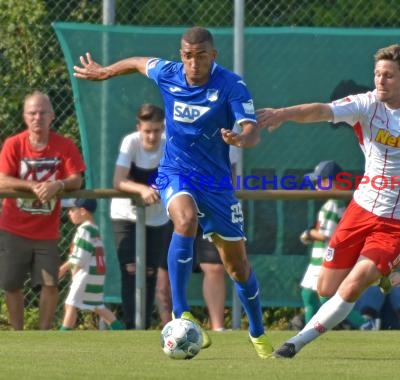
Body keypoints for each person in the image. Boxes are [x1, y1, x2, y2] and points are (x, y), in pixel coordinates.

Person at [256, 44, 400, 358]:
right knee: (326, 289)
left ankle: (294, 343)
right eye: (377, 74)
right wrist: (283, 114)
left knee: (354, 282)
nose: (381, 81)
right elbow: (321, 110)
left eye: (389, 75)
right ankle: (382, 275)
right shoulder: (366, 104)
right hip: (362, 209)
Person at [73, 26, 273, 357]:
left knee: (237, 267)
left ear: (214, 56)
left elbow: (252, 131)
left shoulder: (231, 85)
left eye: (201, 56)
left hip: (216, 183)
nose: (193, 64)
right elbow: (139, 62)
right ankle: (182, 313)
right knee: (185, 219)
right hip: (176, 172)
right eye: (187, 56)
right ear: (181, 56)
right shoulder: (169, 73)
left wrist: (241, 138)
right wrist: (105, 72)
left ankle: (258, 332)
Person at [0, 91, 86, 330]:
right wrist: (32, 186)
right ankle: (18, 333)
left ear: (52, 116)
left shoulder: (64, 145)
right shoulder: (13, 144)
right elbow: (2, 179)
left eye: (42, 112)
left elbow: (76, 179)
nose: (37, 117)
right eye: (32, 113)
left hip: (47, 232)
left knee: (50, 283)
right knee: (11, 284)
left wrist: (57, 185)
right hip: (12, 228)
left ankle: (44, 332)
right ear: (25, 117)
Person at [110, 103, 174, 329]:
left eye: (157, 130)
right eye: (147, 130)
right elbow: (118, 180)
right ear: (139, 128)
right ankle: (130, 328)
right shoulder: (131, 142)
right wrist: (143, 190)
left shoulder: (169, 144)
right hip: (125, 215)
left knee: (149, 272)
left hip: (157, 218)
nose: (152, 136)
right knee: (130, 269)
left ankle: (143, 328)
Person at [298, 160, 368, 329]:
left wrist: (308, 234)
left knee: (327, 297)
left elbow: (325, 235)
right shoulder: (337, 202)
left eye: (320, 181)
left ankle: (365, 324)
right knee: (308, 294)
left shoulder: (332, 204)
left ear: (330, 182)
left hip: (325, 258)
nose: (316, 186)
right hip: (321, 258)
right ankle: (310, 328)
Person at [58, 198, 124, 331]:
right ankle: (119, 330)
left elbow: (80, 257)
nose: (69, 213)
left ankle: (62, 336)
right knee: (98, 305)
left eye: (72, 210)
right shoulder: (94, 229)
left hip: (86, 274)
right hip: (96, 274)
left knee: (70, 304)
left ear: (82, 211)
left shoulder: (84, 230)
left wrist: (63, 269)